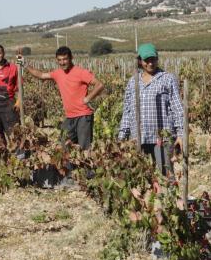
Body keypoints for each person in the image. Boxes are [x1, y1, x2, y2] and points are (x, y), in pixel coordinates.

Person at [117, 43, 184, 175]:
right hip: (138, 137)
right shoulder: (133, 81)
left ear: (157, 59)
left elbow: (177, 108)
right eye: (146, 60)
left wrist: (181, 134)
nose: (150, 63)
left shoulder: (167, 79)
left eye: (153, 59)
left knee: (166, 173)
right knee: (143, 175)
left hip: (162, 136)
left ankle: (170, 195)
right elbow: (127, 111)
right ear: (140, 61)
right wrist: (122, 137)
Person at [21, 46, 105, 150]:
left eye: (65, 59)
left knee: (84, 148)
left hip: (83, 116)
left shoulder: (81, 72)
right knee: (64, 145)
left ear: (71, 58)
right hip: (69, 117)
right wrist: (24, 64)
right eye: (59, 60)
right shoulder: (57, 73)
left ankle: (85, 165)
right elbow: (41, 75)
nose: (62, 62)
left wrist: (88, 98)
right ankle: (69, 166)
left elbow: (100, 85)